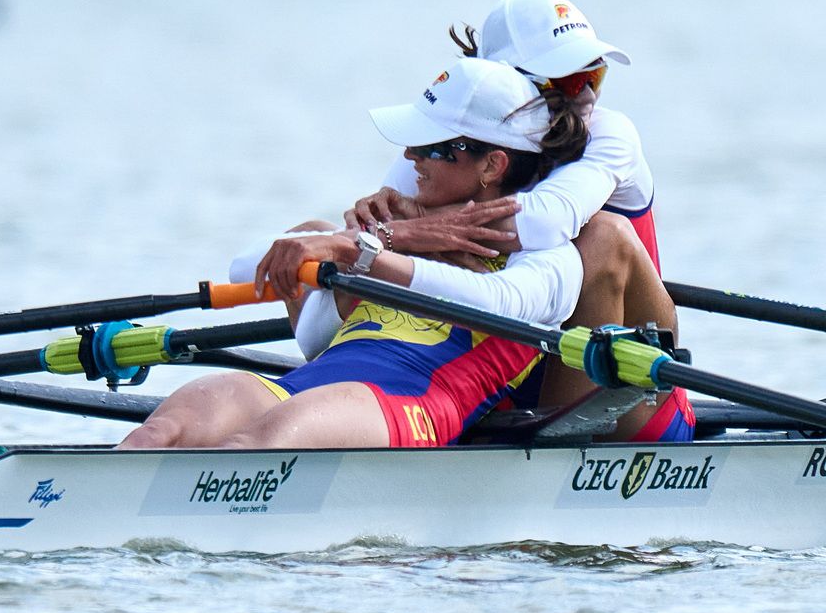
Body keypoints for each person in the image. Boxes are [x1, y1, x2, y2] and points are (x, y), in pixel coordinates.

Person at [119, 58, 593, 450]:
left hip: (406, 405)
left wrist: (366, 250)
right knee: (164, 429)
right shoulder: (394, 230)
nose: (410, 156)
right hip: (305, 388)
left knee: (254, 445)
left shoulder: (551, 259)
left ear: (493, 164)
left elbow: (496, 304)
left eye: (432, 147)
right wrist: (384, 237)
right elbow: (247, 268)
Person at [340, 0, 694, 443]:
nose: (585, 95)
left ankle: (558, 454)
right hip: (511, 371)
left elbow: (546, 223)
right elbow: (378, 229)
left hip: (632, 393)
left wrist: (414, 229)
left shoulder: (610, 133)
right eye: (565, 82)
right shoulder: (451, 136)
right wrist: (382, 227)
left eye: (594, 74)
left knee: (603, 237)